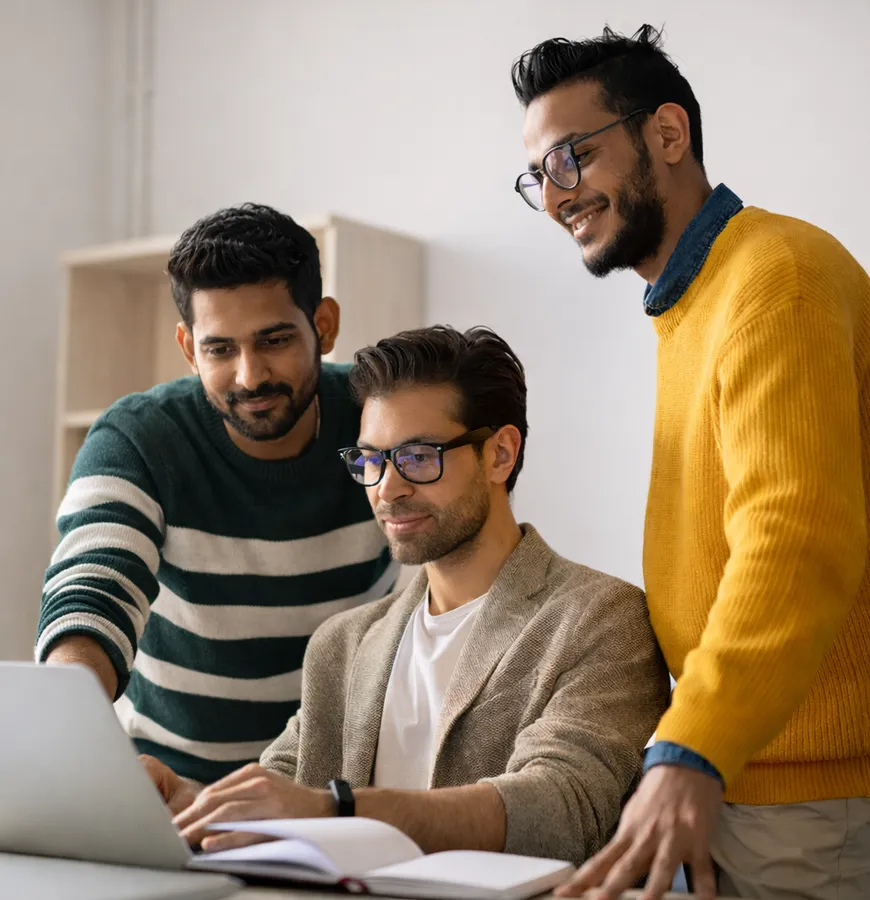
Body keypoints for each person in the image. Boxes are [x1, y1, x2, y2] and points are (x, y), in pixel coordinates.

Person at [511, 23, 870, 900]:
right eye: (537, 178)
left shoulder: (773, 278)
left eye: (571, 158)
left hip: (810, 798)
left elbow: (793, 541)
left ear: (667, 136)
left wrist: (690, 749)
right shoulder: (698, 300)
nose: (556, 197)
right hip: (744, 771)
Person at [145, 325, 669, 863]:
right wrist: (191, 805)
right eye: (370, 460)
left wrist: (337, 811)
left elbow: (562, 811)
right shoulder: (344, 643)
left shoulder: (600, 619)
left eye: (417, 456)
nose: (386, 488)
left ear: (500, 455)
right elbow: (281, 793)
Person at [36, 203, 395, 785]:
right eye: (220, 349)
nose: (250, 376)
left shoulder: (378, 421)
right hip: (172, 791)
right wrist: (67, 719)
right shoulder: (137, 438)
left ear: (323, 325)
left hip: (335, 795)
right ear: (187, 346)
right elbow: (93, 584)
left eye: (274, 339)